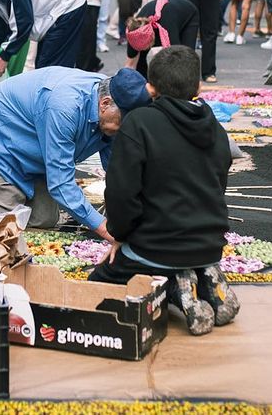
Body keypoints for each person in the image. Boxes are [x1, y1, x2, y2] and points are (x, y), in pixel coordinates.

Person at [88, 46, 235, 336]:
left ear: (150, 87)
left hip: (154, 247)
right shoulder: (216, 128)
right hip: (209, 244)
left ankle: (174, 289)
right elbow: (219, 186)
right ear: (198, 86)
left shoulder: (139, 123)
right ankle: (197, 277)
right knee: (175, 256)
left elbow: (121, 194)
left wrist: (120, 235)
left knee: (95, 287)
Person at [0, 66, 151, 238]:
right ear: (104, 103)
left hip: (38, 152)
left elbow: (117, 169)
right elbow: (60, 184)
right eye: (122, 121)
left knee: (44, 219)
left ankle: (5, 195)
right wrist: (105, 229)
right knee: (1, 227)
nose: (123, 129)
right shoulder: (65, 107)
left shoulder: (109, 106)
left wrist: (140, 211)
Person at [125, 0, 200, 76]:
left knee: (185, 56)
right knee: (141, 57)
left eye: (146, 46)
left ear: (152, 36)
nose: (145, 49)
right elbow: (129, 63)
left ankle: (187, 83)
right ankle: (144, 83)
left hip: (188, 13)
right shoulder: (133, 31)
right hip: (166, 19)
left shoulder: (167, 26)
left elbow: (176, 54)